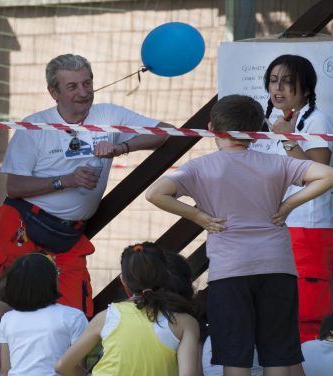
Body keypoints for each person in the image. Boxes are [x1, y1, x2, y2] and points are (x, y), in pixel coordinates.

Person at [145, 95, 333, 376]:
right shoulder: (276, 164)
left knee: (235, 357)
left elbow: (154, 193)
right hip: (277, 267)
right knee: (279, 355)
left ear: (211, 127)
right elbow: (327, 174)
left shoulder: (200, 167)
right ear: (257, 131)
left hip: (229, 271)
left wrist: (199, 217)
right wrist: (289, 204)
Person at [0, 53, 171, 317]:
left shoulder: (108, 113)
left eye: (87, 83)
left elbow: (167, 131)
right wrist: (66, 181)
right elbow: (14, 187)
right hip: (25, 226)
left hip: (69, 237)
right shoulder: (34, 126)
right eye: (72, 86)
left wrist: (121, 147)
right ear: (54, 92)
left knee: (75, 314)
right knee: (12, 309)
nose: (83, 93)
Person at [251, 54, 333, 343]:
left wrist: (285, 138)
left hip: (309, 228)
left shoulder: (316, 120)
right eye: (273, 81)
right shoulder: (275, 123)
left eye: (287, 82)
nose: (278, 89)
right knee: (281, 307)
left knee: (308, 310)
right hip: (280, 227)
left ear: (307, 89)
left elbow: (317, 172)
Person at [56, 242, 200, 376]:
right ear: (166, 277)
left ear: (123, 280)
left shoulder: (106, 317)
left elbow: (63, 365)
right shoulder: (185, 323)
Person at [0, 252, 87, 376]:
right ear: (50, 282)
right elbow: (79, 367)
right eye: (56, 273)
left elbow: (5, 371)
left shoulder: (7, 319)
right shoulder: (73, 317)